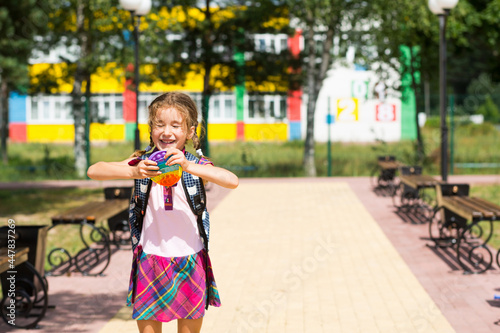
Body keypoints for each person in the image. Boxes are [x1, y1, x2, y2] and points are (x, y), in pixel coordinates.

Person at [87, 91, 239, 333]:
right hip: (150, 259)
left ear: (189, 132)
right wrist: (134, 172)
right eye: (160, 124)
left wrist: (189, 166)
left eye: (176, 125)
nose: (167, 131)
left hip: (191, 259)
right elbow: (94, 170)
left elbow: (231, 180)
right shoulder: (143, 163)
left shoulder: (194, 165)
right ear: (151, 128)